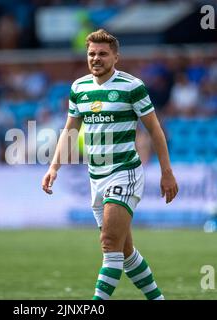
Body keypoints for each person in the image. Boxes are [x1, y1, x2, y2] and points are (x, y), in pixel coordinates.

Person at [42, 29, 178, 300]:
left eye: (103, 54)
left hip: (124, 173)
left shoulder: (131, 86)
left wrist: (167, 172)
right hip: (96, 178)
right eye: (92, 53)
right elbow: (70, 130)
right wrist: (53, 167)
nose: (96, 58)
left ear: (116, 56)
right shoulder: (79, 88)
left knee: (108, 245)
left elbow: (155, 130)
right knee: (125, 253)